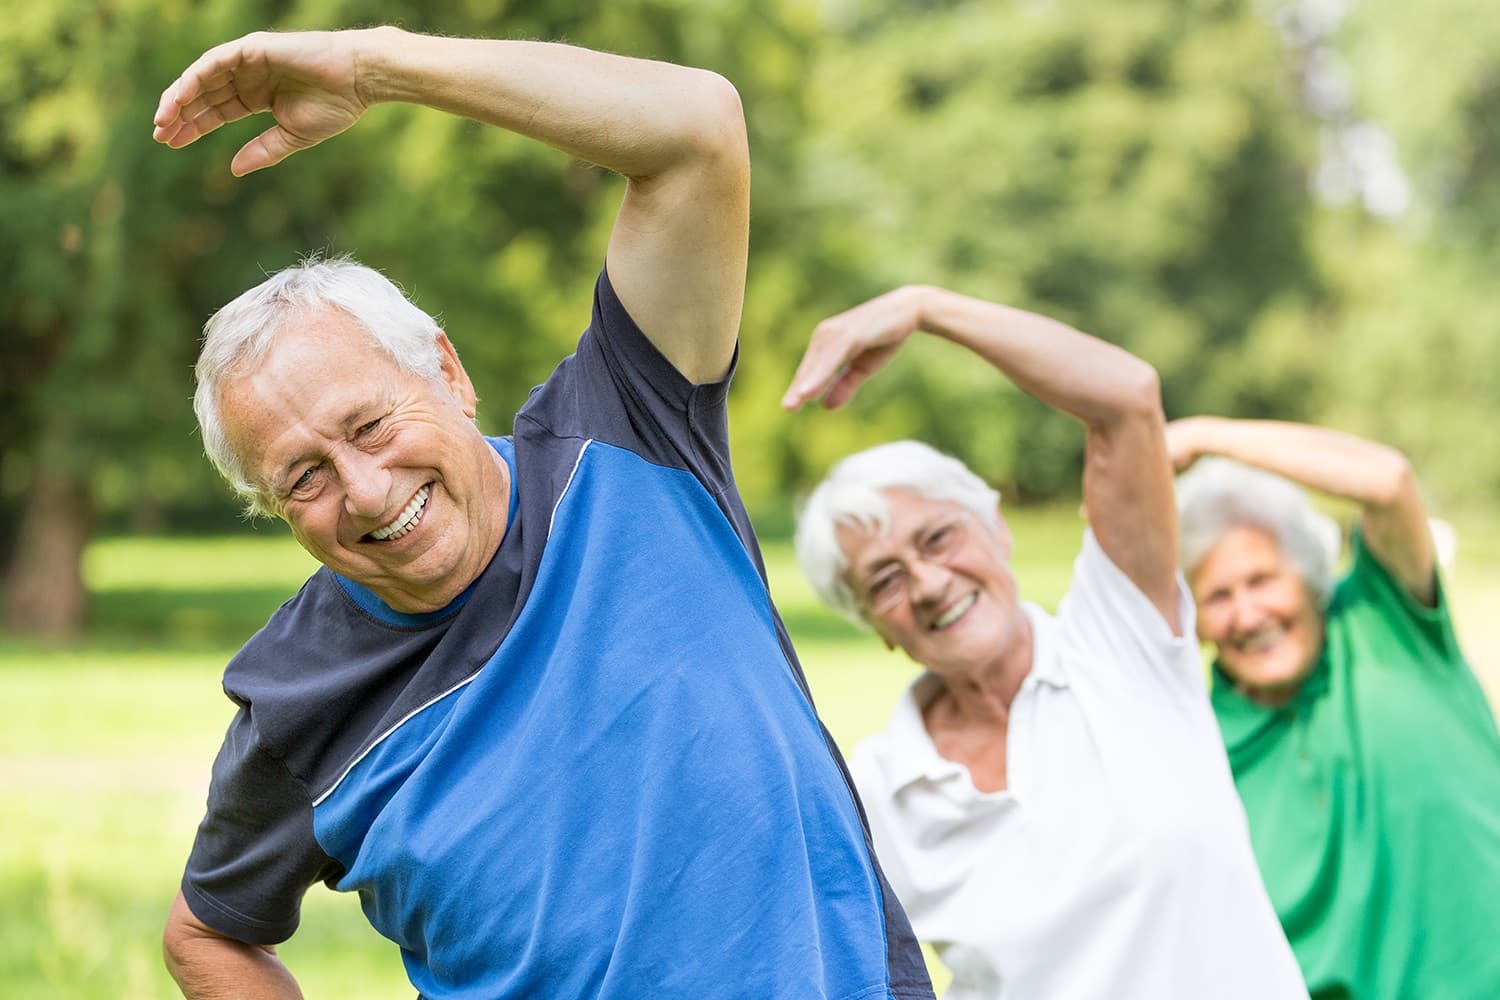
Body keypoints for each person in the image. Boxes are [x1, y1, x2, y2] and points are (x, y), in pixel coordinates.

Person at [152, 27, 932, 1000]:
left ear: (446, 369)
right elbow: (208, 933)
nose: (367, 489)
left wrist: (375, 66)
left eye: (369, 422)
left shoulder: (632, 432)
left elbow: (697, 130)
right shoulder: (294, 703)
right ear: (270, 506)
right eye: (303, 475)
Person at [786, 286, 1308, 999]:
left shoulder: (1119, 639)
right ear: (875, 626)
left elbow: (1126, 398)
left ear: (996, 529)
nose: (932, 583)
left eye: (939, 537)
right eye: (886, 580)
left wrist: (925, 309)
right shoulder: (878, 791)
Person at [1170, 416, 1500, 1000]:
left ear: (1308, 572)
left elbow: (1388, 481)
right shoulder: (1196, 744)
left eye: (1262, 579)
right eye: (1218, 596)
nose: (1248, 615)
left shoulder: (1386, 623)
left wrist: (1202, 438)